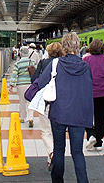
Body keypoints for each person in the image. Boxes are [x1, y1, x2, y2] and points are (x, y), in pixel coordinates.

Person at [38, 32, 93, 183]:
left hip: (59, 113)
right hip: (78, 115)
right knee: (77, 152)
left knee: (59, 150)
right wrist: (89, 119)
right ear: (78, 46)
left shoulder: (55, 64)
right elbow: (88, 93)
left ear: (63, 46)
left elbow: (40, 82)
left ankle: (57, 180)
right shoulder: (86, 67)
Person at [31, 42, 63, 170]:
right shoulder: (63, 63)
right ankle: (51, 158)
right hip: (60, 102)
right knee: (55, 131)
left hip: (45, 101)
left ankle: (51, 153)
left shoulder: (43, 63)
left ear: (48, 52)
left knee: (45, 131)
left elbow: (34, 80)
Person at [9, 46, 35, 127]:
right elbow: (36, 72)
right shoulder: (32, 62)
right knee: (30, 101)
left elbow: (14, 75)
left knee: (22, 101)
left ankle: (23, 117)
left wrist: (11, 85)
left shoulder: (18, 63)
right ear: (28, 53)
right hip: (30, 84)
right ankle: (30, 118)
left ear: (20, 54)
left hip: (20, 84)